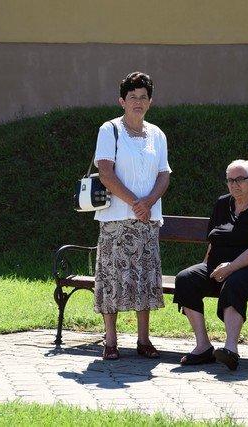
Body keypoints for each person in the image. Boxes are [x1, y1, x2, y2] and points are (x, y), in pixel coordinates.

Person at [173, 159, 248, 370]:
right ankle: (203, 346)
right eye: (230, 180)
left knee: (235, 281)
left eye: (240, 179)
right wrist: (207, 266)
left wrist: (231, 267)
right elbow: (214, 239)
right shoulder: (222, 204)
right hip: (224, 267)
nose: (234, 185)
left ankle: (231, 349)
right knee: (187, 278)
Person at [93, 72, 172, 360]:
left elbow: (164, 174)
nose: (138, 102)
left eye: (143, 97)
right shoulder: (109, 130)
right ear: (122, 101)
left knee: (145, 279)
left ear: (150, 101)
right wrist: (135, 203)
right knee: (112, 278)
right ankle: (111, 340)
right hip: (115, 220)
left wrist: (148, 202)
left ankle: (143, 339)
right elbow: (105, 173)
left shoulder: (158, 135)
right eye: (132, 97)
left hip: (147, 221)